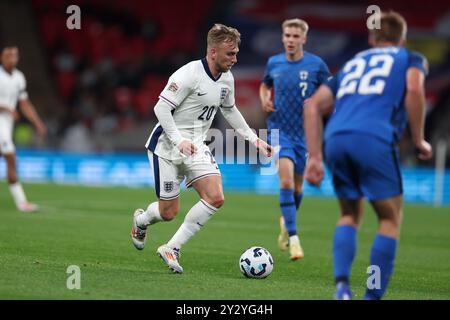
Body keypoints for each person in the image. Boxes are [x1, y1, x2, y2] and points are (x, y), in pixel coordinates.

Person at [303, 11, 432, 299]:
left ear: (373, 39)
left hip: (335, 138)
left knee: (349, 214)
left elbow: (312, 106)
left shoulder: (353, 63)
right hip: (374, 138)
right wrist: (419, 137)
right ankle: (372, 295)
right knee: (388, 219)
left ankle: (342, 288)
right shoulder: (409, 58)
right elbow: (414, 88)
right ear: (402, 39)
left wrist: (314, 157)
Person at [131, 24, 273, 273]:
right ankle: (141, 221)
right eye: (230, 54)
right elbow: (160, 109)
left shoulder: (227, 79)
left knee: (216, 197)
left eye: (236, 53)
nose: (235, 59)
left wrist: (254, 139)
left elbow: (229, 110)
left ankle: (171, 247)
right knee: (168, 212)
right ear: (213, 52)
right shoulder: (188, 74)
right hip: (166, 146)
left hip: (196, 146)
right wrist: (178, 140)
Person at [259, 18, 330, 261]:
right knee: (287, 183)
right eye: (287, 35)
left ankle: (285, 222)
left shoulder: (316, 65)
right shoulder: (274, 63)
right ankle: (294, 239)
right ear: (282, 37)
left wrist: (319, 103)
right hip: (279, 131)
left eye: (295, 36)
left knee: (298, 188)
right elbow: (264, 85)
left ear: (303, 39)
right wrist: (265, 98)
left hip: (305, 135)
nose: (290, 40)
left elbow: (329, 93)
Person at [0, 45, 47, 212]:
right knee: (11, 158)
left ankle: (22, 202)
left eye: (14, 55)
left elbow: (24, 103)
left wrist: (37, 122)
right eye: (8, 55)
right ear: (2, 57)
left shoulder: (19, 77)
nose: (12, 58)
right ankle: (22, 203)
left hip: (6, 124)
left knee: (11, 160)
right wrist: (6, 108)